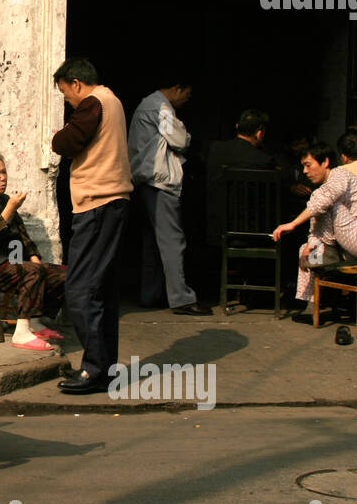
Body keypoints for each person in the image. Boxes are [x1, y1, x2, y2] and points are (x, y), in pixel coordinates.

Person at [50, 58, 132, 395]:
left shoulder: (93, 103)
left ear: (77, 83)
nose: (67, 100)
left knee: (80, 289)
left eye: (66, 93)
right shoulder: (113, 100)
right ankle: (104, 368)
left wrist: (58, 136)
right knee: (102, 291)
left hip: (98, 204)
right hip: (113, 204)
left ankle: (94, 370)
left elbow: (67, 142)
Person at [0, 151, 66, 352]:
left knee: (64, 274)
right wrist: (10, 209)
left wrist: (35, 259)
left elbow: (22, 237)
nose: (3, 177)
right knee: (32, 272)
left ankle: (35, 321)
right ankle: (22, 332)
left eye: (4, 172)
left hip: (5, 264)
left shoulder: (4, 200)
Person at [270, 141, 357, 322]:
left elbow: (324, 201)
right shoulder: (322, 189)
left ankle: (326, 250)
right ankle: (314, 307)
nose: (305, 172)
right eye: (303, 167)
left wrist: (292, 224)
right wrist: (311, 244)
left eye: (308, 165)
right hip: (346, 248)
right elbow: (317, 212)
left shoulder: (340, 174)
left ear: (325, 162)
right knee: (305, 251)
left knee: (328, 203)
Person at [128, 78, 211, 315]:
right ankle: (182, 299)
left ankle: (151, 294)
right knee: (173, 241)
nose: (187, 100)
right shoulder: (161, 107)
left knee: (154, 241)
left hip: (146, 180)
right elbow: (180, 140)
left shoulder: (149, 104)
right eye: (186, 94)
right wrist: (186, 135)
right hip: (160, 182)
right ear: (177, 88)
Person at [204, 108, 281, 243]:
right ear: (260, 133)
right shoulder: (264, 160)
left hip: (217, 227)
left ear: (237, 127)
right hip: (252, 230)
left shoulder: (215, 149)